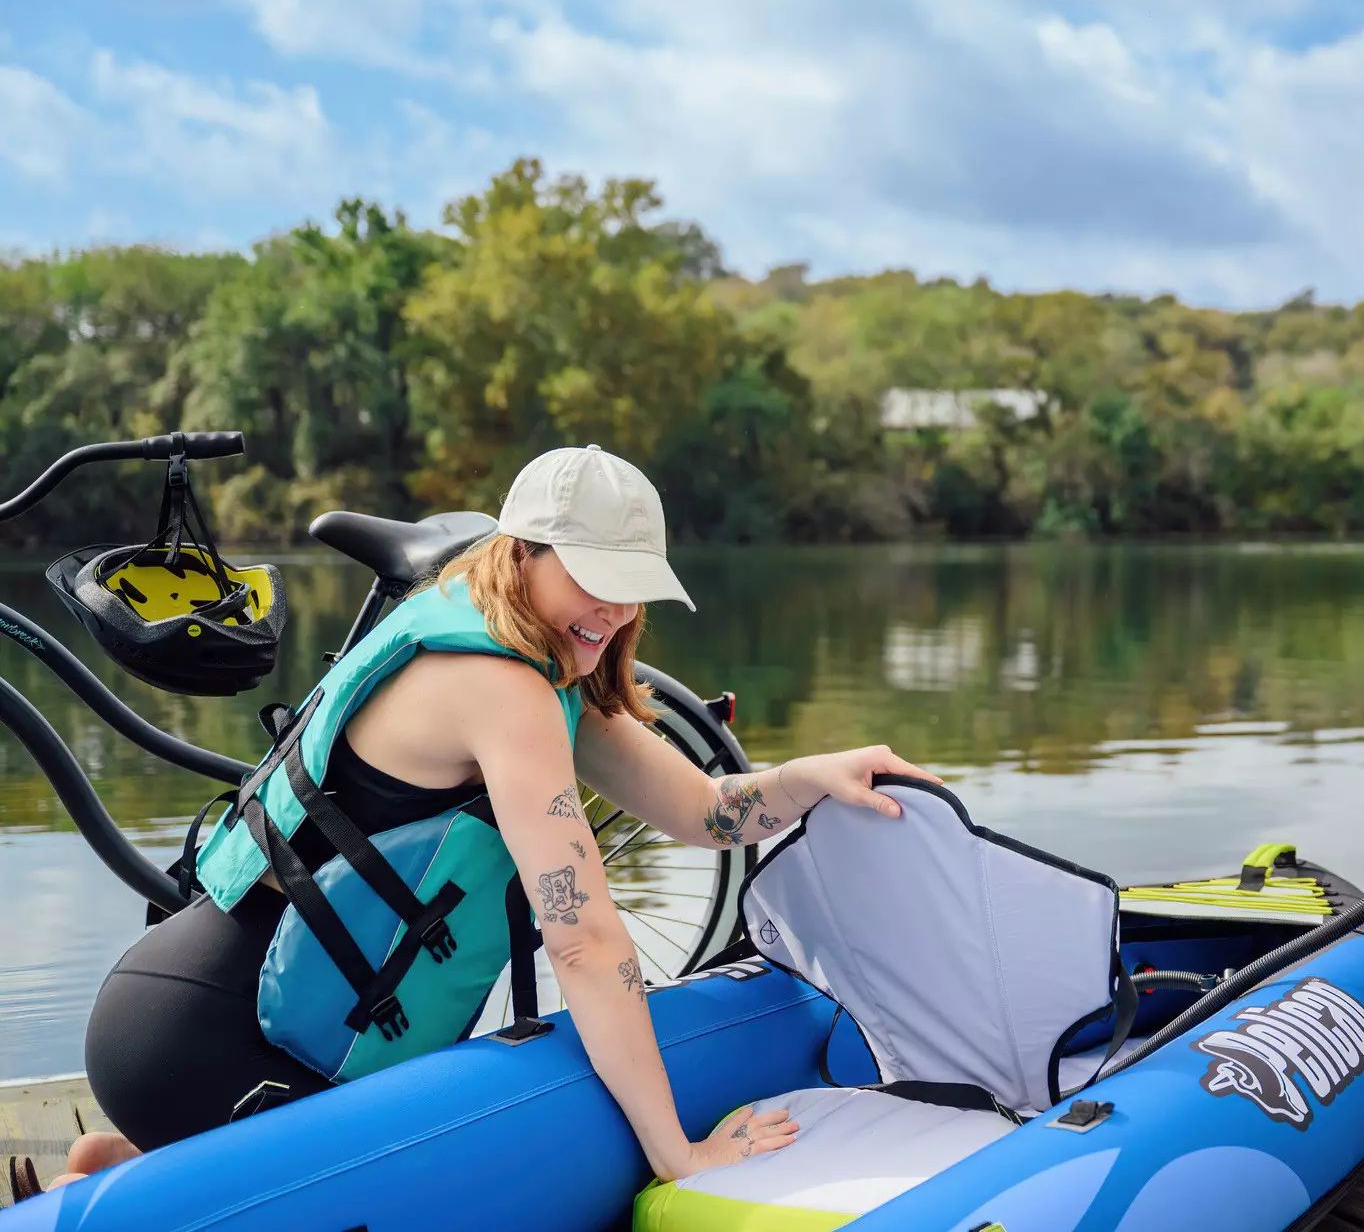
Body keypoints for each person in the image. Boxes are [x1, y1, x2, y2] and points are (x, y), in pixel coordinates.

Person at [50, 445, 937, 1193]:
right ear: (525, 551)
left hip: (198, 1009)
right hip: (217, 1035)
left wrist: (817, 775)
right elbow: (585, 938)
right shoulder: (501, 686)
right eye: (598, 579)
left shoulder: (514, 642)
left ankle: (123, 1169)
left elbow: (705, 812)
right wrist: (679, 1152)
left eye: (635, 589)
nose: (619, 611)